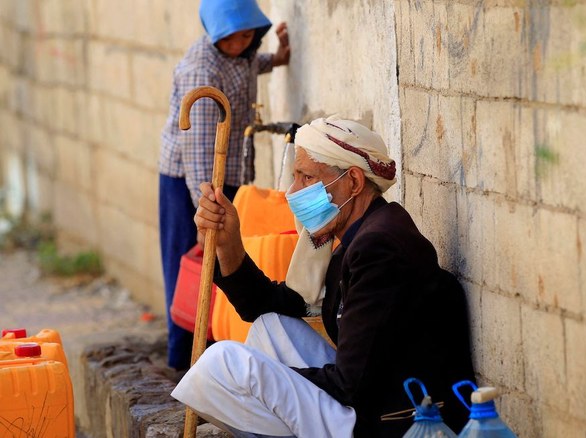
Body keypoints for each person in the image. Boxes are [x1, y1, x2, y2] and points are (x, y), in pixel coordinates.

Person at [172, 117, 476, 437]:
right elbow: (265, 305)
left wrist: (272, 384)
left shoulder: (379, 248)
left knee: (223, 361)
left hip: (391, 422)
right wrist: (228, 244)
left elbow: (350, 384)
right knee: (270, 326)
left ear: (354, 182)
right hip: (369, 397)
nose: (293, 191)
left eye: (307, 178)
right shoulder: (361, 234)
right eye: (296, 177)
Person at [158, 0, 291, 371]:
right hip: (192, 180)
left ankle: (215, 349)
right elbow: (198, 146)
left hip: (224, 173)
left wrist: (277, 58)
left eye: (246, 37)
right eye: (230, 39)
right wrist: (208, 205)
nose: (238, 45)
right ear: (215, 35)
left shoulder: (242, 51)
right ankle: (184, 357)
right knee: (189, 264)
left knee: (222, 263)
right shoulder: (202, 69)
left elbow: (247, 65)